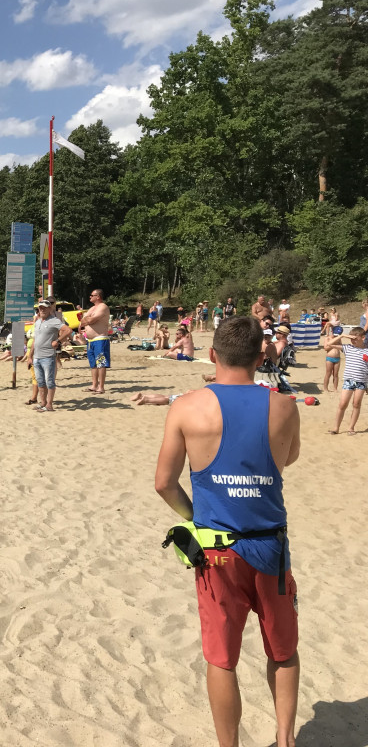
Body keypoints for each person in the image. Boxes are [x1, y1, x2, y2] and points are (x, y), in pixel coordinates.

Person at [155, 316, 301, 747]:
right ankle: (285, 740)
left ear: (212, 354)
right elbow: (288, 458)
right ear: (261, 357)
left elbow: (164, 483)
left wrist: (195, 518)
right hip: (270, 547)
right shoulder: (284, 406)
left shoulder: (186, 407)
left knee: (222, 659)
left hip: (217, 551)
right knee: (283, 651)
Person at [29, 300, 73, 412]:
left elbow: (68, 330)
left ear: (49, 309)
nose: (42, 309)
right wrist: (30, 356)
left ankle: (49, 405)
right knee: (40, 381)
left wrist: (58, 341)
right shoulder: (38, 322)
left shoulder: (54, 321)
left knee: (49, 381)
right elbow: (35, 340)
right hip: (37, 357)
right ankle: (43, 403)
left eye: (44, 307)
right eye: (40, 308)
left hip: (48, 356)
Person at [323, 327, 367, 435]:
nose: (352, 341)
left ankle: (351, 428)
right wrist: (342, 336)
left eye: (355, 339)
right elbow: (329, 344)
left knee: (356, 404)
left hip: (361, 382)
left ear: (363, 338)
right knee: (342, 404)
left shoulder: (367, 350)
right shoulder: (348, 348)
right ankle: (336, 428)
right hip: (348, 381)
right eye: (351, 338)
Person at [80, 288, 111, 393]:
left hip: (100, 338)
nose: (90, 297)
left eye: (92, 295)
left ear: (98, 297)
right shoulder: (92, 308)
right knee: (93, 364)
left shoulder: (103, 307)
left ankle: (101, 387)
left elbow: (91, 320)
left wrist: (87, 319)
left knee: (101, 363)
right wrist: (87, 320)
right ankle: (94, 385)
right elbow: (82, 321)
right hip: (90, 340)